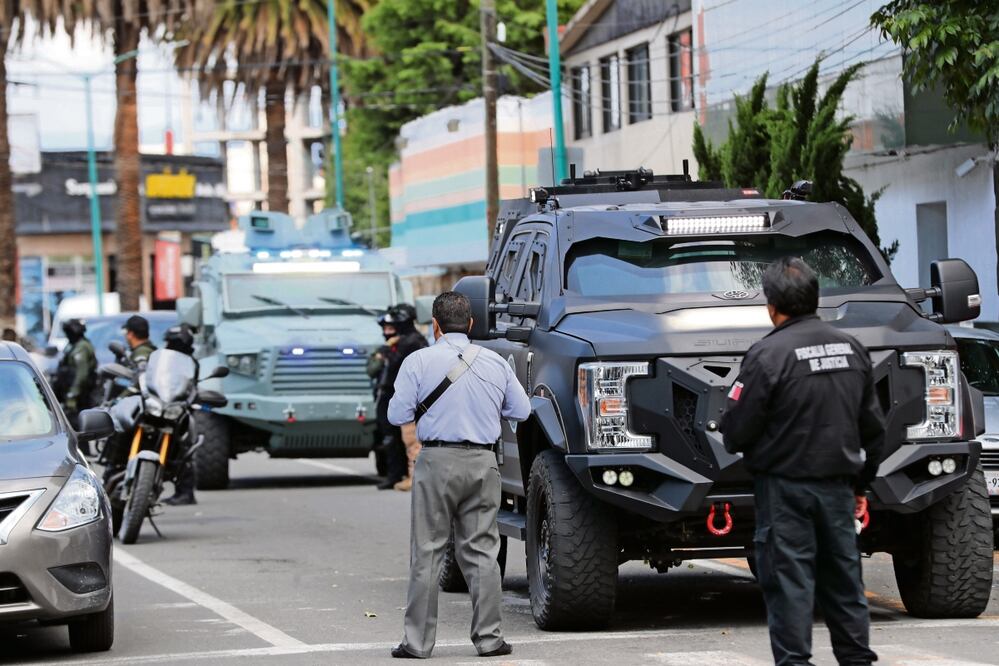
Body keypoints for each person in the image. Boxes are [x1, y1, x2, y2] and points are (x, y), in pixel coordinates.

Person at [720, 257, 885, 666]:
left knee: (790, 586)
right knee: (845, 585)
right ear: (815, 299)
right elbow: (875, 431)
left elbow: (735, 431)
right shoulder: (852, 350)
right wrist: (860, 488)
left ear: (772, 306)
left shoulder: (767, 355)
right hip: (839, 491)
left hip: (785, 493)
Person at [387, 291, 530, 659]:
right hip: (483, 463)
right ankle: (489, 639)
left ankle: (417, 644)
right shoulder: (496, 363)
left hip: (436, 462)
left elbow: (397, 414)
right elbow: (522, 409)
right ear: (470, 324)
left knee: (428, 552)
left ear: (435, 325)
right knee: (482, 550)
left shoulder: (418, 361)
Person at [370, 304, 428, 491]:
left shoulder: (411, 342)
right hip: (391, 393)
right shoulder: (398, 342)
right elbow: (373, 369)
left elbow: (401, 369)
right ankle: (398, 474)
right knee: (393, 437)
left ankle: (410, 476)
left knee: (409, 439)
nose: (389, 332)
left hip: (404, 395)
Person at [162, 324, 198, 506]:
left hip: (180, 410)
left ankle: (185, 492)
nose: (167, 345)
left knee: (182, 448)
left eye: (171, 342)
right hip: (161, 406)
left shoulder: (189, 362)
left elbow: (191, 387)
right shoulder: (166, 361)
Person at [53, 319, 98, 452]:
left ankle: (81, 453)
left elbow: (81, 374)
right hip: (70, 393)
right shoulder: (73, 346)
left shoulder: (81, 347)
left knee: (76, 427)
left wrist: (72, 395)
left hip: (79, 397)